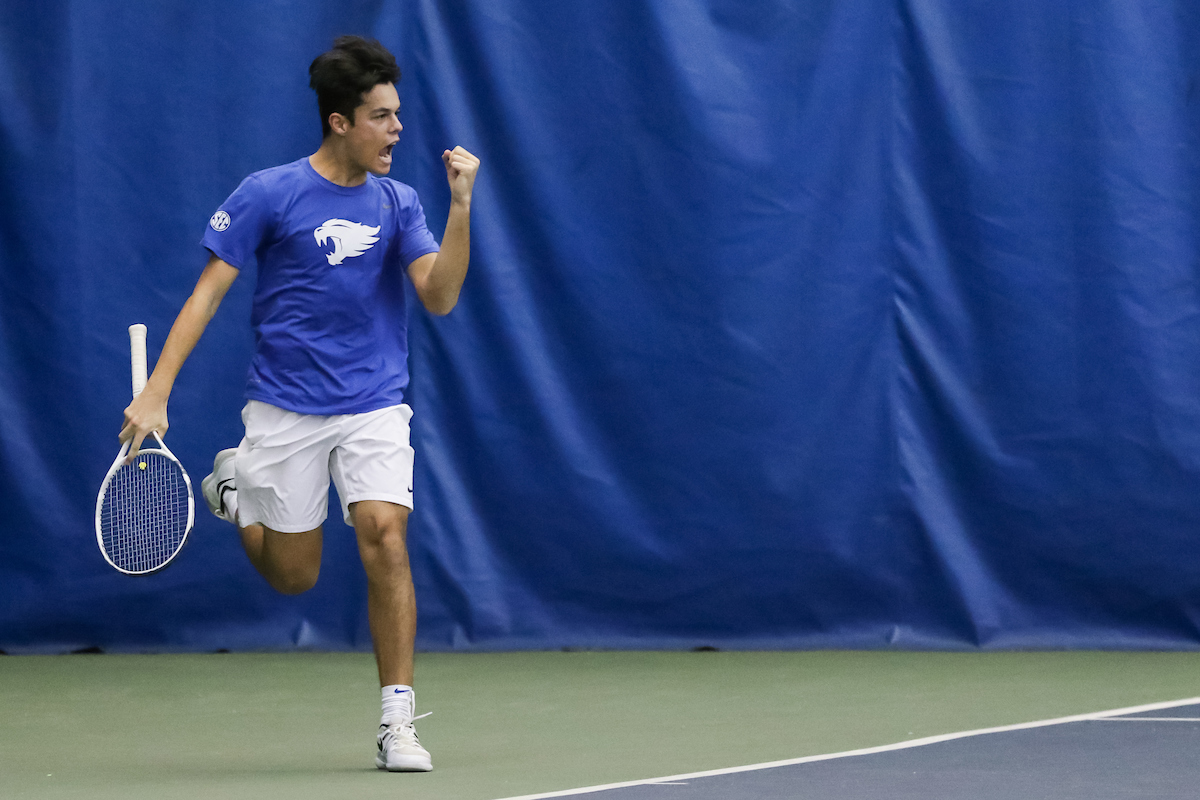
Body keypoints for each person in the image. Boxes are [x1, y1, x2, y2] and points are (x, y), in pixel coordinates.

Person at [118, 35, 479, 772]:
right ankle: (232, 490)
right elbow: (208, 293)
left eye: (398, 115)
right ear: (341, 122)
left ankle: (397, 723)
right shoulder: (268, 193)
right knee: (295, 576)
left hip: (375, 403)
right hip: (285, 410)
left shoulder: (399, 201)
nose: (398, 130)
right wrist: (157, 390)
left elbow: (438, 296)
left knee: (384, 533)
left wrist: (461, 207)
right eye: (382, 117)